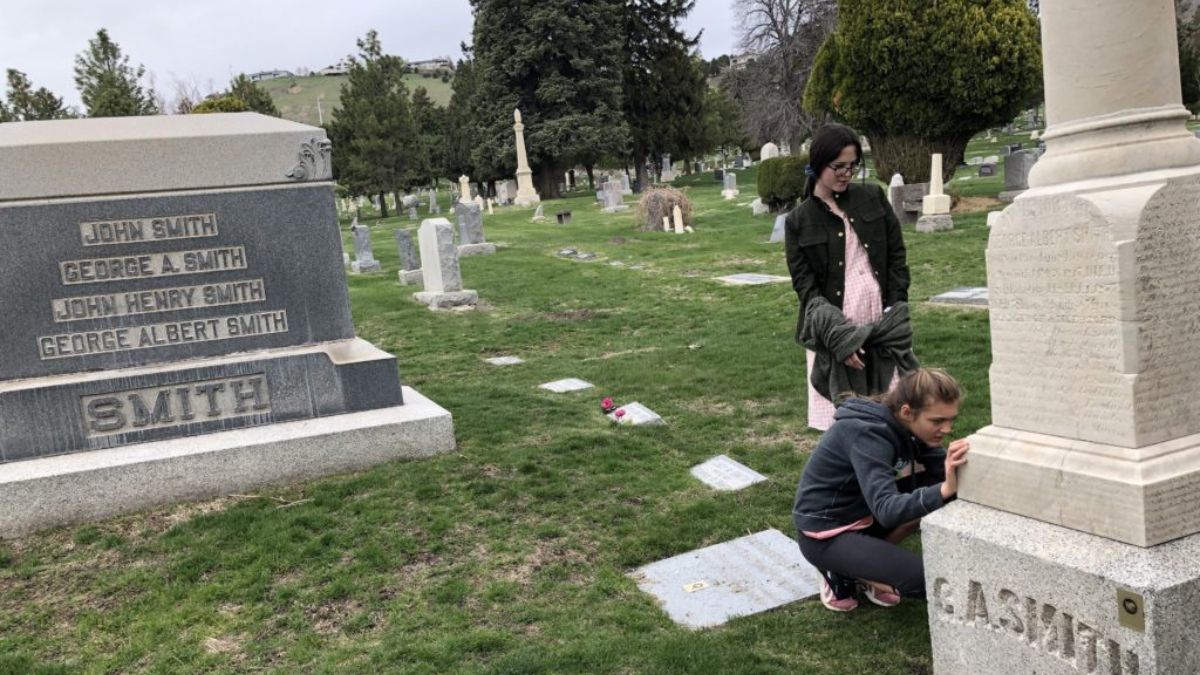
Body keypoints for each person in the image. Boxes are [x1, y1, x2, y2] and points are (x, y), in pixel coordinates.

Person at [792, 368, 969, 612]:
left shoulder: (909, 427)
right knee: (927, 579)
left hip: (861, 511)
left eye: (951, 420)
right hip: (826, 534)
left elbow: (941, 471)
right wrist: (945, 488)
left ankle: (868, 566)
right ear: (907, 412)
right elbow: (887, 509)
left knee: (948, 491)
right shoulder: (868, 433)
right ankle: (844, 570)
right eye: (938, 421)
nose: (947, 429)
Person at [784, 123, 912, 430]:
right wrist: (839, 338)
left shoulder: (872, 198)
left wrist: (895, 308)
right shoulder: (799, 221)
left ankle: (903, 474)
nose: (846, 173)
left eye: (852, 166)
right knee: (846, 422)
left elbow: (897, 257)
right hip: (835, 325)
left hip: (880, 319)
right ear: (817, 164)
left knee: (896, 410)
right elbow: (806, 287)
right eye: (838, 166)